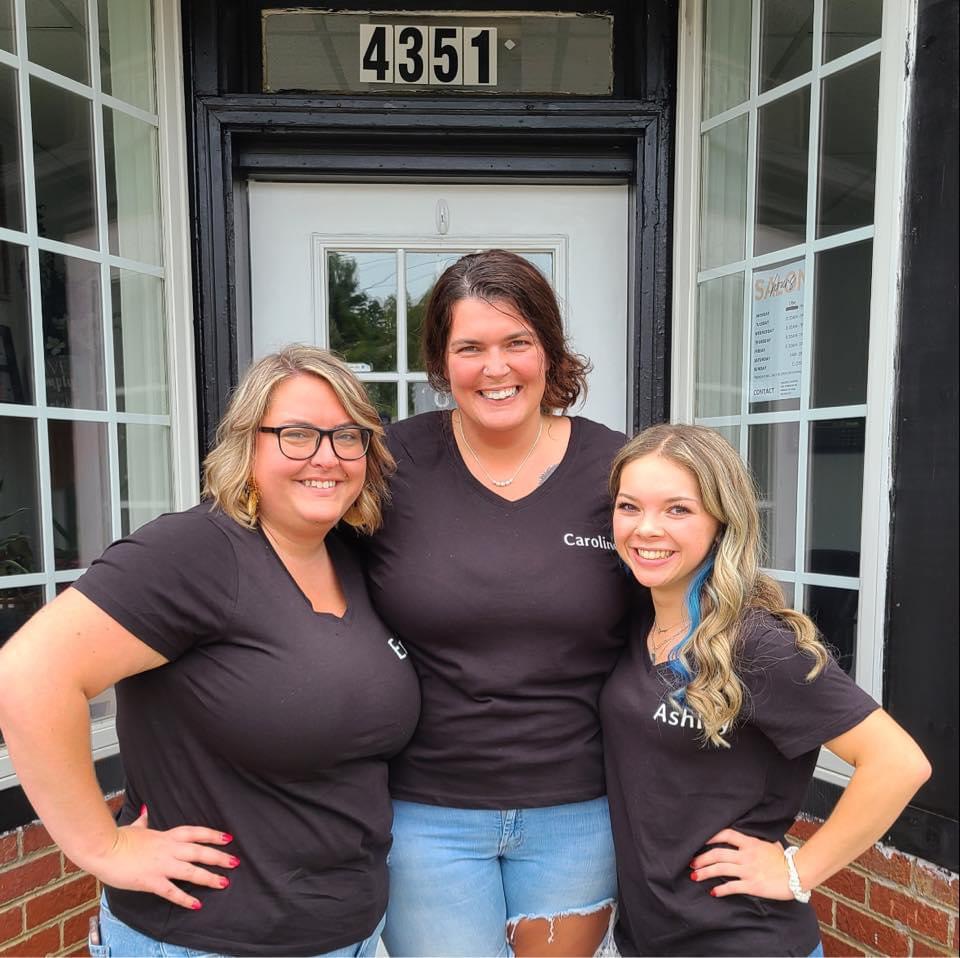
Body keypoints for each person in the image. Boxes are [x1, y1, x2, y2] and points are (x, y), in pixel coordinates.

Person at [0, 346, 421, 958]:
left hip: (348, 934)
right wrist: (101, 847)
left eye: (347, 436)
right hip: (205, 940)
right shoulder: (195, 553)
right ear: (247, 447)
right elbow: (26, 676)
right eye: (297, 435)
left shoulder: (350, 558)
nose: (326, 457)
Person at [357, 249, 631, 957]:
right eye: (469, 347)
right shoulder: (386, 466)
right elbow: (291, 580)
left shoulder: (619, 469)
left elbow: (687, 607)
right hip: (425, 812)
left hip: (577, 808)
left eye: (517, 342)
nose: (495, 367)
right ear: (441, 364)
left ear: (549, 349)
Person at [600, 423, 932, 957]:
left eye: (678, 509)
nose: (646, 528)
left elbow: (897, 762)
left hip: (743, 941)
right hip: (651, 939)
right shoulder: (640, 620)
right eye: (629, 506)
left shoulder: (753, 641)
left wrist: (798, 871)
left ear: (721, 521)